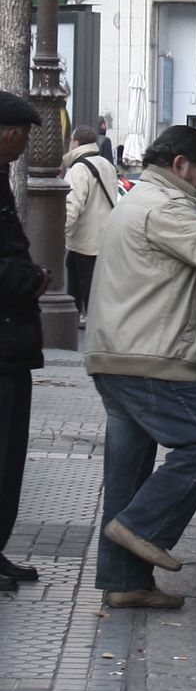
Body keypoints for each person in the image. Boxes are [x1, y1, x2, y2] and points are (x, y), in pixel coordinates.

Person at [85, 125, 196, 610]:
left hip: (117, 353)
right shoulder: (166, 208)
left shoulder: (141, 199)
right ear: (180, 165)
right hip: (150, 357)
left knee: (127, 472)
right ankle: (143, 527)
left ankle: (125, 583)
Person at [0, 92, 46, 594]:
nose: (25, 143)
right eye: (23, 133)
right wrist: (29, 277)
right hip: (3, 337)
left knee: (10, 453)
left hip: (10, 341)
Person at [63, 124, 119, 329]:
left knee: (81, 279)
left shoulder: (78, 168)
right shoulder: (106, 164)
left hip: (84, 237)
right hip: (104, 234)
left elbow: (73, 204)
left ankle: (83, 317)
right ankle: (88, 315)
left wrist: (63, 230)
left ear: (76, 142)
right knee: (93, 280)